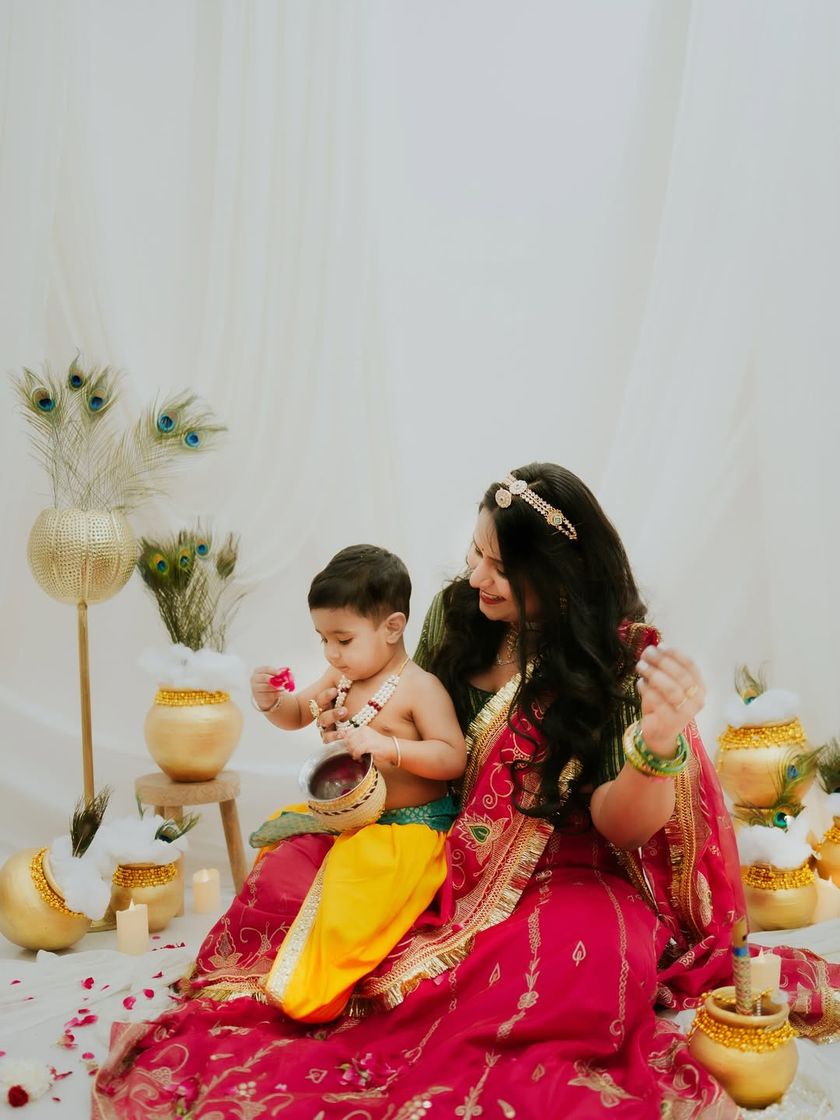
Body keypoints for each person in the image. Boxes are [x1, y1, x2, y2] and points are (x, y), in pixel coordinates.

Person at [94, 464, 839, 1120]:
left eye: (499, 566)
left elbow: (622, 828)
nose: (477, 576)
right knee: (288, 873)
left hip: (562, 868)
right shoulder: (460, 616)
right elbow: (408, 707)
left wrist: (658, 744)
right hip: (432, 837)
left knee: (565, 966)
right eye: (475, 553)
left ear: (558, 577)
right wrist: (352, 727)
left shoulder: (608, 664)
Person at [247, 543, 466, 1021]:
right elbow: (297, 713)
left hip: (407, 832)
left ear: (392, 627)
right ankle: (270, 966)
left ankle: (313, 991)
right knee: (280, 856)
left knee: (351, 900)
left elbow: (453, 758)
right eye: (323, 639)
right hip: (353, 823)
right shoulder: (339, 676)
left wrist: (389, 746)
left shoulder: (419, 688)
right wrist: (271, 702)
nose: (331, 652)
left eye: (343, 640)